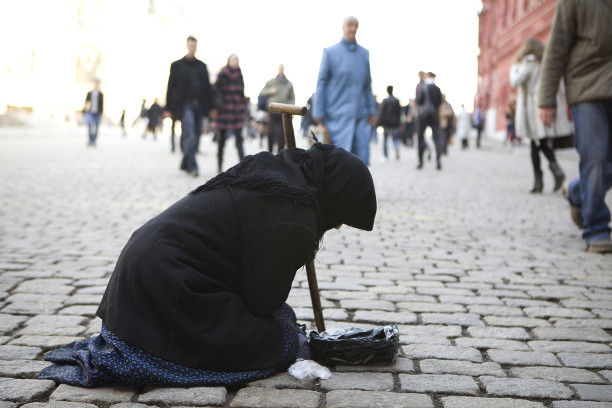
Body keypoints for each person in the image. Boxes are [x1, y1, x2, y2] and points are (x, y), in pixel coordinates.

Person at [38, 142, 377, 388]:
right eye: (341, 218)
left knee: (282, 324)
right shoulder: (296, 216)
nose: (336, 226)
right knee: (283, 336)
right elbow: (263, 301)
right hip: (168, 286)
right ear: (336, 198)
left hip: (139, 286)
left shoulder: (277, 172)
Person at [538, 0, 612, 253]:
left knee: (603, 165)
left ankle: (577, 190)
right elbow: (556, 47)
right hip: (587, 89)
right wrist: (547, 99)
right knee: (595, 156)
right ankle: (597, 228)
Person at [313, 16, 377, 165]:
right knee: (337, 163)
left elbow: (367, 85)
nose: (353, 29)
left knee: (361, 162)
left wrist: (372, 110)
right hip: (336, 117)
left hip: (361, 116)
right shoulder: (330, 52)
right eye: (349, 25)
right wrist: (319, 113)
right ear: (343, 28)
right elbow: (321, 83)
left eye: (355, 25)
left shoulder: (364, 54)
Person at [510, 37, 571, 194]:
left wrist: (525, 67)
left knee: (538, 142)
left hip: (532, 108)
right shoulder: (545, 63)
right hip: (540, 106)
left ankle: (544, 177)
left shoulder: (527, 64)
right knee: (538, 142)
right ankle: (549, 175)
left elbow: (516, 81)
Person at [165, 36, 216, 177]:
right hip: (185, 104)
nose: (192, 48)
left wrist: (211, 108)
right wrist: (168, 108)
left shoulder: (202, 66)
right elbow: (171, 87)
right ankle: (193, 166)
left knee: (196, 135)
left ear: (196, 47)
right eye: (190, 45)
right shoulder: (177, 65)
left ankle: (184, 163)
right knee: (190, 135)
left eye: (194, 45)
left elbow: (207, 88)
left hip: (199, 104)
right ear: (187, 46)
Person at [213, 54, 247, 173]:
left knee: (239, 139)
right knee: (221, 140)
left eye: (237, 59)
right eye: (233, 59)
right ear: (228, 61)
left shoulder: (239, 75)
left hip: (236, 110)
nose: (235, 61)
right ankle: (219, 165)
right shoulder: (222, 74)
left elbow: (242, 92)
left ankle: (244, 166)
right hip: (224, 110)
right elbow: (215, 89)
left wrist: (243, 106)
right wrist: (218, 104)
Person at [259, 64, 296, 153]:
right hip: (272, 111)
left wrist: (292, 110)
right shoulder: (271, 82)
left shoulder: (289, 84)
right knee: (270, 133)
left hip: (284, 112)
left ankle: (280, 154)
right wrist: (270, 91)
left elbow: (292, 98)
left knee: (282, 135)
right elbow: (262, 92)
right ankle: (270, 152)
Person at [415, 72, 443, 170]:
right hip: (434, 114)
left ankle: (420, 161)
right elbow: (439, 102)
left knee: (420, 137)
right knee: (436, 138)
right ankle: (438, 159)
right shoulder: (437, 89)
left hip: (423, 116)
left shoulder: (422, 87)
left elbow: (418, 100)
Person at [377, 85, 401, 160]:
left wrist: (378, 122)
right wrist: (399, 122)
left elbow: (381, 112)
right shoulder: (396, 100)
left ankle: (385, 155)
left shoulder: (385, 101)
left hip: (386, 122)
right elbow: (399, 113)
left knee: (385, 139)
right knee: (395, 138)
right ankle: (396, 147)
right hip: (395, 122)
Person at [83, 79, 103, 147]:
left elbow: (102, 105)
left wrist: (101, 114)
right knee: (90, 125)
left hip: (97, 112)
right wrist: (84, 112)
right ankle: (90, 140)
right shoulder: (89, 93)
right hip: (90, 112)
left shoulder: (101, 94)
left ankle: (94, 141)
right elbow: (86, 103)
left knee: (96, 126)